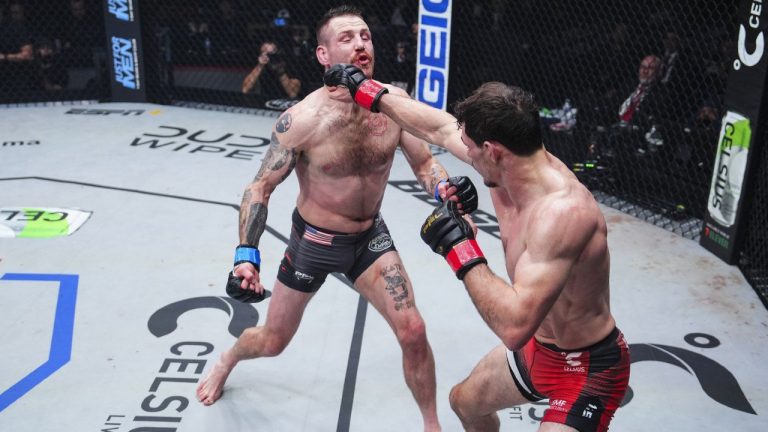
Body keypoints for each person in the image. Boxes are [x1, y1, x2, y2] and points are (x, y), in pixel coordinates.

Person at [197, 6, 472, 431]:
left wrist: (442, 190)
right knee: (273, 341)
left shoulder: (394, 105)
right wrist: (246, 254)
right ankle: (227, 360)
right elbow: (259, 188)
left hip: (369, 239)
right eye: (347, 38)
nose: (361, 44)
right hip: (314, 243)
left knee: (413, 330)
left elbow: (424, 165)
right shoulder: (304, 119)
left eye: (365, 35)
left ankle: (431, 425)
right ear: (323, 55)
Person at [324, 68, 631, 431]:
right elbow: (439, 128)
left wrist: (460, 248)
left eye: (470, 147)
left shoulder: (563, 213)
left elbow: (515, 326)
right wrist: (367, 90)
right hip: (540, 351)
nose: (463, 151)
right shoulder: (510, 164)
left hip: (587, 366)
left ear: (492, 151)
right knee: (465, 404)